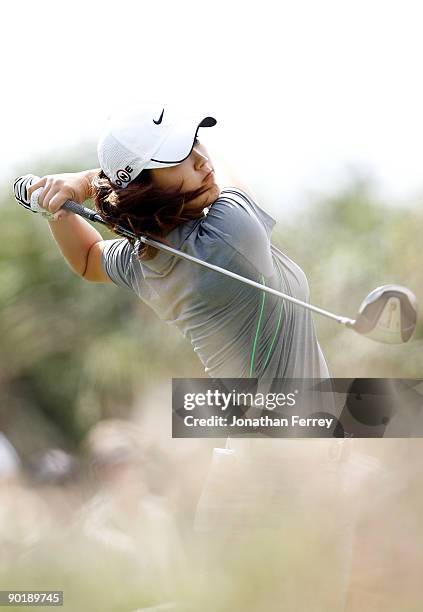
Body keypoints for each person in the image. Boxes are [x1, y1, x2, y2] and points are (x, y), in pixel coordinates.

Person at [28, 103, 359, 609]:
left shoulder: (151, 260)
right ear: (144, 185)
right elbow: (229, 176)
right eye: (181, 157)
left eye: (196, 145)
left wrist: (61, 205)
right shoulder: (231, 232)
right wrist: (82, 183)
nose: (203, 159)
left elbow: (90, 259)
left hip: (247, 468)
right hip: (295, 471)